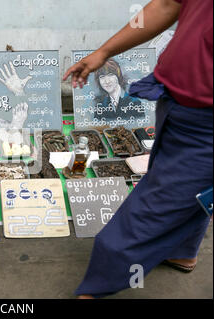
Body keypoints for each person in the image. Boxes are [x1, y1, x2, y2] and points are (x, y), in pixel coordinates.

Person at [64, 0, 212, 298]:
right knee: (188, 189)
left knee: (147, 213)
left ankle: (98, 287)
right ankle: (182, 251)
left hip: (206, 122)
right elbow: (167, 4)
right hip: (176, 101)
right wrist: (105, 51)